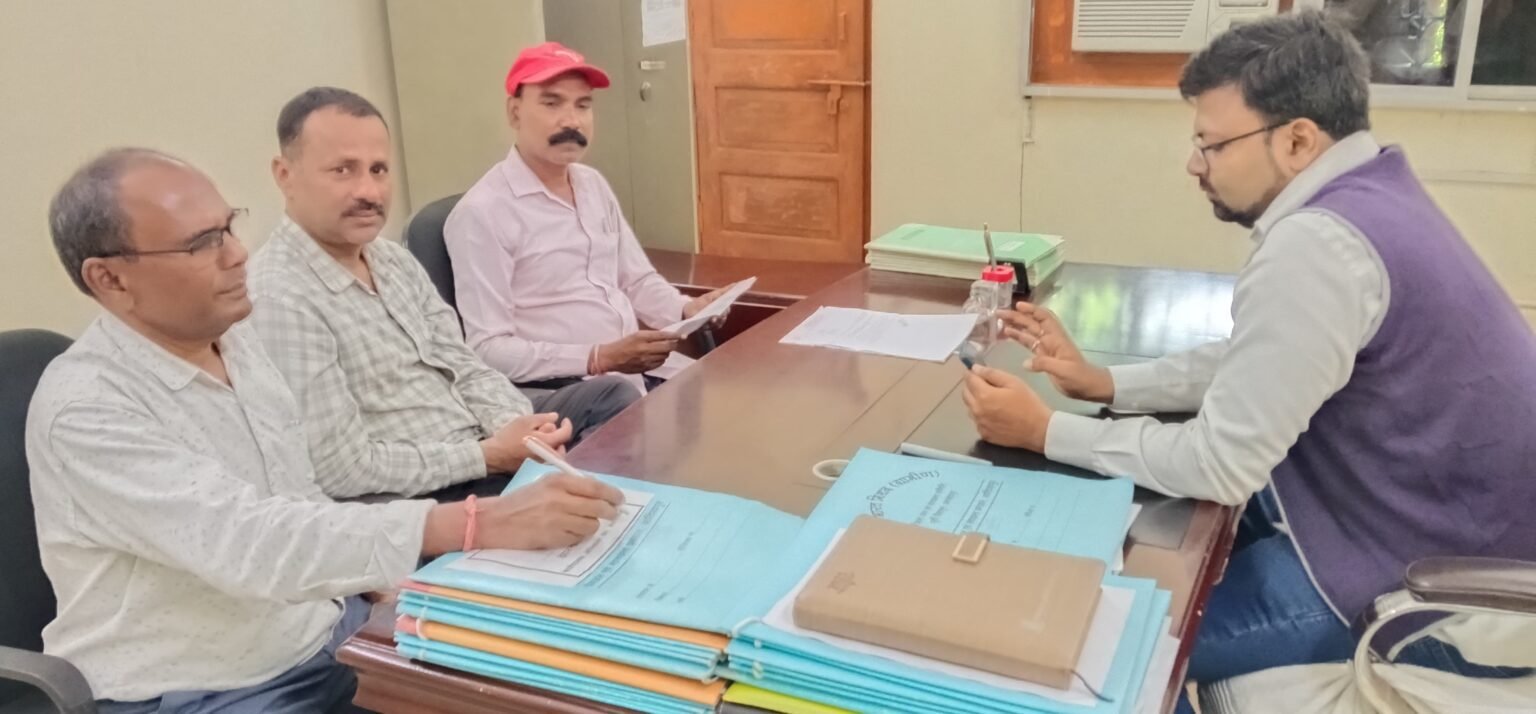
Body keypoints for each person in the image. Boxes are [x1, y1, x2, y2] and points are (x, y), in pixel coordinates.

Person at [961, 10, 1536, 704]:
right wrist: (1105, 382)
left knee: (1092, 644)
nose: (1194, 165)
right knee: (1146, 541)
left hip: (1423, 593)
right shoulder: (1374, 194)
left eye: (1211, 144)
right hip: (1415, 525)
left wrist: (1044, 431)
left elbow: (1221, 465)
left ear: (1296, 140)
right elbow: (1261, 358)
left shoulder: (1319, 246)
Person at [29, 147, 625, 712]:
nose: (237, 254)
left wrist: (379, 584)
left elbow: (297, 492)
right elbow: (249, 540)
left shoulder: (234, 340)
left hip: (323, 630)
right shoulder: (88, 406)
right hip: (207, 687)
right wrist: (473, 523)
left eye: (229, 227)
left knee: (557, 672)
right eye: (202, 243)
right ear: (110, 279)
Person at [249, 87, 639, 502]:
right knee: (581, 494)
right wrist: (488, 457)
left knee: (611, 398)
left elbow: (463, 364)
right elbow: (341, 469)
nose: (369, 192)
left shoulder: (390, 260)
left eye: (378, 170)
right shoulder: (282, 296)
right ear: (285, 175)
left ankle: (602, 511)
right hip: (426, 491)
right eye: (343, 170)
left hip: (481, 436)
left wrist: (517, 428)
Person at [443, 42, 730, 395]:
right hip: (568, 393)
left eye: (583, 105)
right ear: (514, 113)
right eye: (552, 103)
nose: (571, 121)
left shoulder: (591, 185)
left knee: (740, 392)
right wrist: (596, 358)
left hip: (636, 376)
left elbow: (636, 280)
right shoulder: (483, 213)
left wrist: (686, 309)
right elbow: (488, 350)